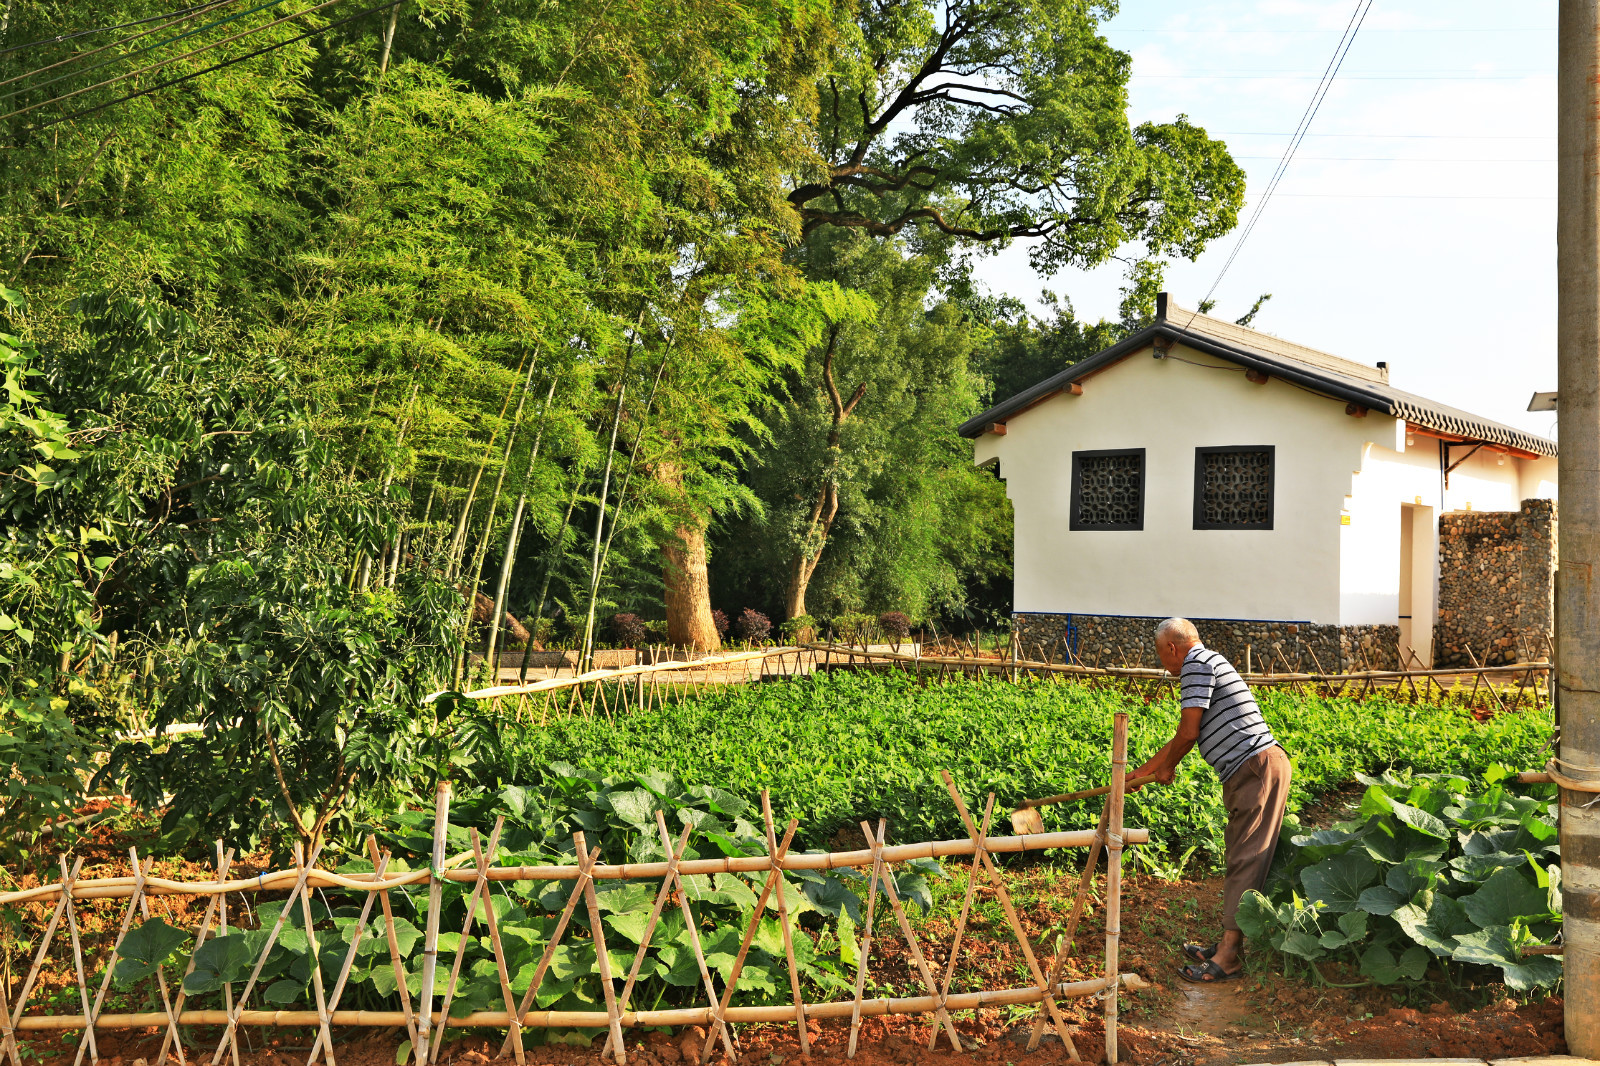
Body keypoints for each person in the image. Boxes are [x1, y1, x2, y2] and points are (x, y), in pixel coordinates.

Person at [1130, 617, 1292, 983]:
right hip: (1249, 770)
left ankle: (1229, 956)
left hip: (1254, 768)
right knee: (1241, 855)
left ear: (1172, 647)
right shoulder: (1206, 661)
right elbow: (1184, 735)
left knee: (1246, 859)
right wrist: (1143, 772)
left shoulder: (1196, 664)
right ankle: (1228, 945)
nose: (1163, 665)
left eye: (1160, 655)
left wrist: (1167, 768)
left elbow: (1189, 732)